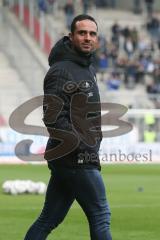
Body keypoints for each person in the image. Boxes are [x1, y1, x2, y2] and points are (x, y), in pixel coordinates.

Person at [24, 14, 112, 240]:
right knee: (101, 215)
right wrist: (83, 146)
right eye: (82, 33)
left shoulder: (87, 68)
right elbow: (53, 118)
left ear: (97, 39)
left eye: (92, 34)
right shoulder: (61, 70)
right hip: (75, 158)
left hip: (73, 158)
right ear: (71, 36)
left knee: (48, 220)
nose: (87, 38)